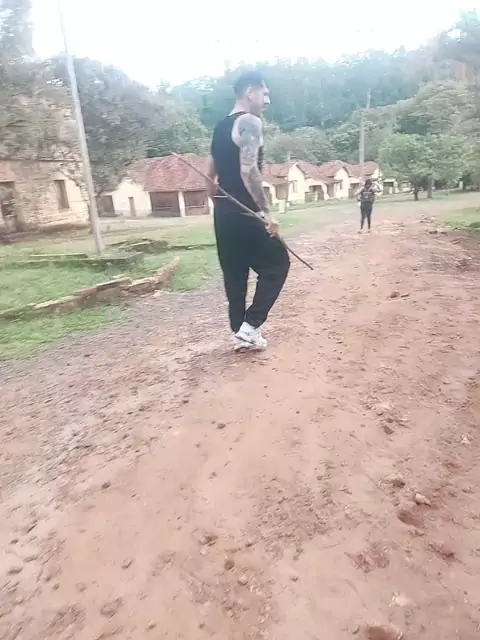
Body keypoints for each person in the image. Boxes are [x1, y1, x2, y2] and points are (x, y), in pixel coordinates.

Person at [208, 71, 290, 352]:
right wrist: (266, 212)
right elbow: (249, 170)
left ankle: (240, 332)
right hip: (246, 212)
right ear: (249, 92)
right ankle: (251, 326)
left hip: (223, 211)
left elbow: (210, 173)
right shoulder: (249, 122)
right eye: (264, 93)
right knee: (278, 264)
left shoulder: (220, 127)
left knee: (235, 274)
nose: (267, 100)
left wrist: (217, 204)